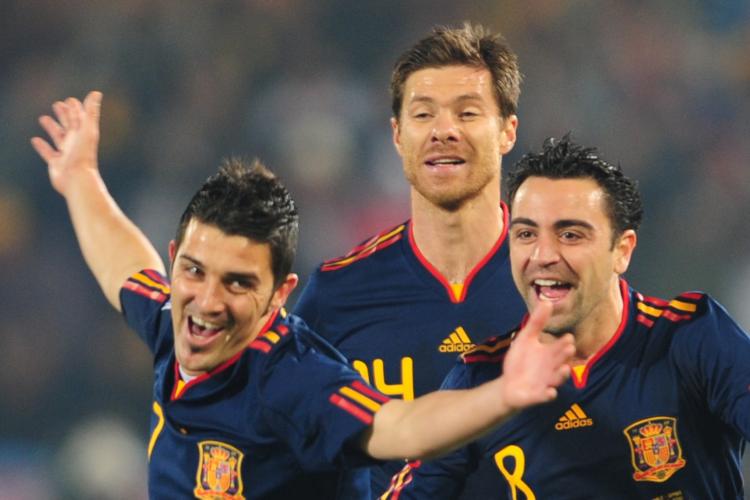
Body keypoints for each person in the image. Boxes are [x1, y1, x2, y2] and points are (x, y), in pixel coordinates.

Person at [30, 92, 575, 499]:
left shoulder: (290, 380)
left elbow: (398, 427)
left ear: (278, 296)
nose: (208, 300)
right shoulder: (175, 316)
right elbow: (126, 267)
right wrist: (80, 179)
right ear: (176, 259)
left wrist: (504, 394)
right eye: (195, 271)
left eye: (238, 283)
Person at [386, 135, 750, 499]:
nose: (543, 255)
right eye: (526, 234)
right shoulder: (480, 380)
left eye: (570, 234)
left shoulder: (690, 337)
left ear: (621, 251)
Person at [293, 22, 528, 497]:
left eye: (467, 113)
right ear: (398, 136)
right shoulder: (337, 295)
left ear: (507, 131)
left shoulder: (560, 283)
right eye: (423, 115)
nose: (444, 131)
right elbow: (290, 449)